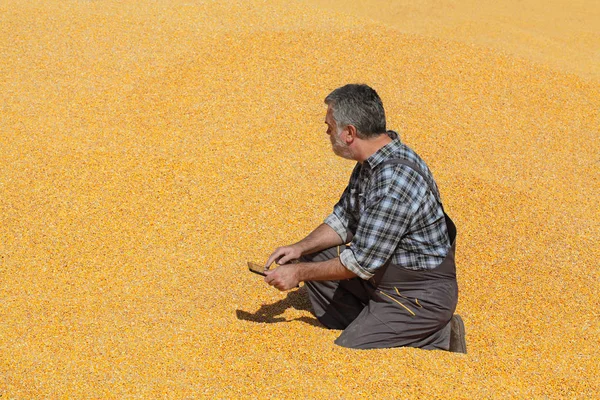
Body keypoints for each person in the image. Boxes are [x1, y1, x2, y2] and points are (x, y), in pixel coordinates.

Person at [263, 84, 466, 352]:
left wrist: (298, 273)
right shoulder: (371, 162)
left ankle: (437, 336)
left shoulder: (393, 181)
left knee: (351, 347)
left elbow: (360, 262)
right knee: (314, 254)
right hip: (383, 276)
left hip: (417, 295)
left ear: (349, 133)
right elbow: (344, 218)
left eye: (329, 125)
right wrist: (299, 248)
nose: (326, 131)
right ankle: (375, 320)